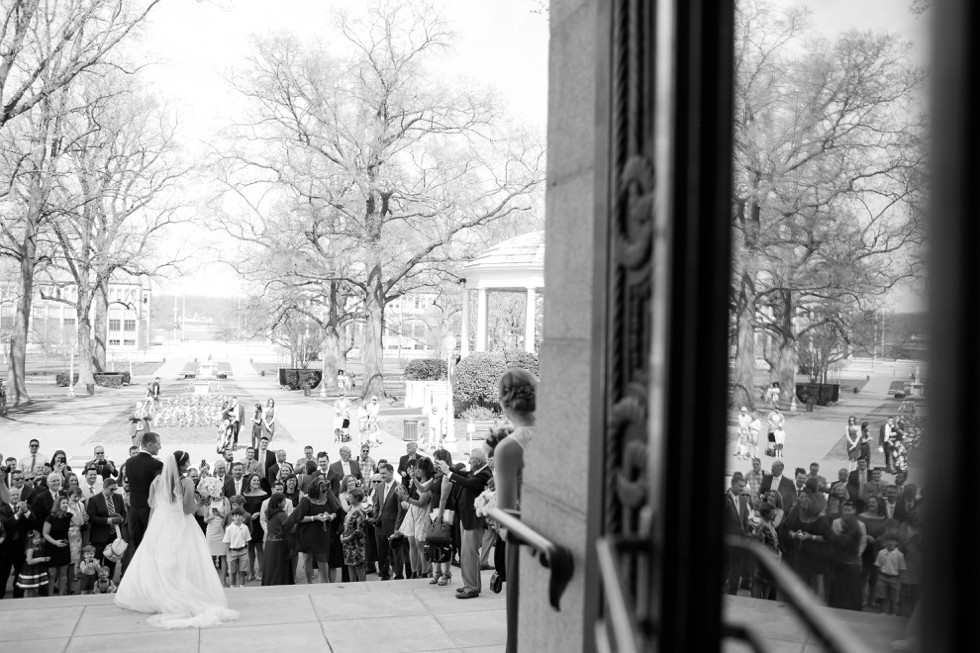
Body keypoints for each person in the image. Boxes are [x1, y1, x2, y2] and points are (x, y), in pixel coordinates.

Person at [115, 450, 239, 627]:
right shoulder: (186, 482)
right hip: (182, 524)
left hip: (163, 523)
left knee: (161, 559)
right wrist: (203, 501)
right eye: (188, 462)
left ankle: (158, 595)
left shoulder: (159, 481)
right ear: (182, 464)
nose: (189, 465)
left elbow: (152, 503)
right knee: (186, 558)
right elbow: (188, 509)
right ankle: (183, 593)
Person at [437, 448, 493, 599]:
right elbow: (463, 474)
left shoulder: (484, 474)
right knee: (468, 555)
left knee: (468, 555)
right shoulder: (478, 471)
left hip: (474, 520)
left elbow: (467, 482)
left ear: (478, 461)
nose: (469, 462)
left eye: (471, 460)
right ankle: (472, 585)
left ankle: (472, 587)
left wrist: (448, 473)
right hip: (467, 518)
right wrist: (448, 468)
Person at [284, 476, 341, 584]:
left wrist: (330, 517)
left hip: (323, 535)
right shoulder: (306, 499)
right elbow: (299, 518)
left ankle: (325, 583)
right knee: (308, 558)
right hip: (307, 534)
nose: (325, 494)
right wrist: (315, 518)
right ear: (315, 490)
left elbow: (335, 511)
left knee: (323, 560)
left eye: (325, 492)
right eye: (322, 492)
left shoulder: (327, 497)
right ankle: (309, 583)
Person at [124, 432, 164, 552]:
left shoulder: (129, 462)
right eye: (158, 444)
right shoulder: (156, 464)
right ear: (150, 444)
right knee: (153, 546)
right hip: (151, 511)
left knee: (137, 546)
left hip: (134, 511)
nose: (160, 447)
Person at [42, 495, 72, 595]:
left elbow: (80, 522)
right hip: (52, 547)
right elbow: (45, 534)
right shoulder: (50, 518)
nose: (66, 505)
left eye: (67, 503)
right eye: (63, 503)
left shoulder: (68, 516)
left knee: (63, 574)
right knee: (52, 574)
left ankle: (61, 595)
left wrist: (74, 506)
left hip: (64, 547)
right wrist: (55, 543)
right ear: (57, 504)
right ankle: (50, 597)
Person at [261, 493, 292, 586]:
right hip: (280, 544)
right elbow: (290, 527)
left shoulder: (268, 513)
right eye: (283, 501)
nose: (285, 503)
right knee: (279, 565)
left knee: (271, 564)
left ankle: (269, 583)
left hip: (270, 542)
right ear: (278, 503)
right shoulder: (281, 515)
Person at [242, 474, 268, 582]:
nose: (256, 482)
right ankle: (251, 571)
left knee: (259, 548)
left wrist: (258, 513)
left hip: (259, 523)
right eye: (254, 480)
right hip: (248, 523)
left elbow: (267, 509)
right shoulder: (244, 494)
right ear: (249, 482)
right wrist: (248, 515)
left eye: (258, 480)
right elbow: (241, 508)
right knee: (250, 548)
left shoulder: (264, 494)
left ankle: (260, 571)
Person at [340, 486, 368, 582]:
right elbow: (346, 524)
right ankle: (352, 584)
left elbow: (359, 530)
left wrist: (347, 538)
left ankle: (363, 586)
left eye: (351, 497)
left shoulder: (360, 511)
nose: (348, 498)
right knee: (350, 564)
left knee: (358, 566)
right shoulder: (351, 508)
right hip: (348, 544)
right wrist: (343, 535)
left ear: (357, 498)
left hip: (356, 544)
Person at [875, 536, 907, 615]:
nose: (891, 542)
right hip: (883, 577)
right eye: (889, 540)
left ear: (896, 542)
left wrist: (900, 581)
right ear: (886, 541)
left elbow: (902, 569)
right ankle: (882, 612)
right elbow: (878, 565)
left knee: (894, 599)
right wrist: (879, 576)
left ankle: (893, 614)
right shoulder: (881, 552)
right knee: (882, 597)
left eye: (893, 541)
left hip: (895, 579)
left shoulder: (900, 555)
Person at [17, 530, 50, 597]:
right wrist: (41, 559)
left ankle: (33, 600)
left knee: (35, 587)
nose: (38, 540)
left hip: (37, 570)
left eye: (39, 538)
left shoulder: (38, 548)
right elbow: (30, 562)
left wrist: (44, 559)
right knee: (28, 588)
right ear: (30, 540)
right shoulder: (30, 550)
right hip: (30, 571)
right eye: (35, 539)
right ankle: (26, 601)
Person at [223, 509, 250, 588]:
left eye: (240, 515)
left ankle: (242, 588)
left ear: (243, 517)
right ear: (232, 517)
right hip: (232, 552)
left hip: (243, 551)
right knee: (232, 572)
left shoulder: (245, 528)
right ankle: (233, 588)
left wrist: (246, 553)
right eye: (236, 515)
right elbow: (226, 542)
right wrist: (228, 554)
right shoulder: (229, 528)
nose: (238, 517)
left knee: (242, 572)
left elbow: (247, 541)